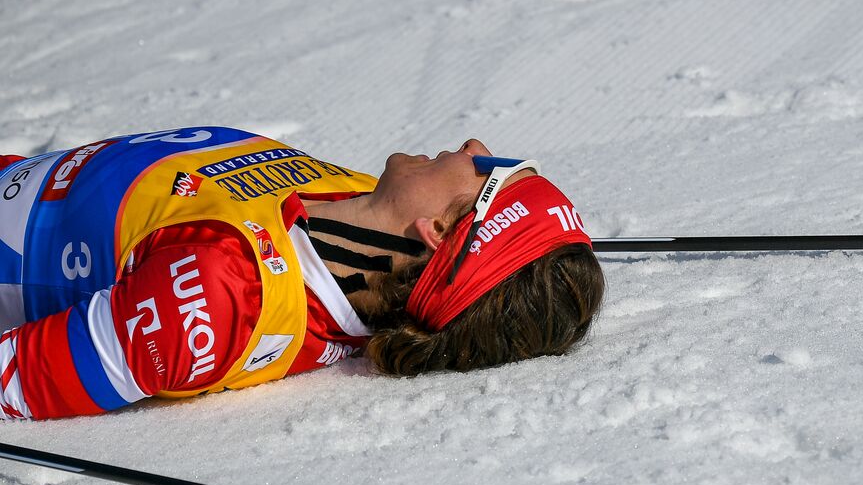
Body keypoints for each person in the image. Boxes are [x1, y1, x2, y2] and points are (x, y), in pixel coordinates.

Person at [0, 127, 604, 421]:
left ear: (438, 231)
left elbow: (16, 378)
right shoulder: (358, 203)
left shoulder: (219, 300)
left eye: (488, 167)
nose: (474, 143)